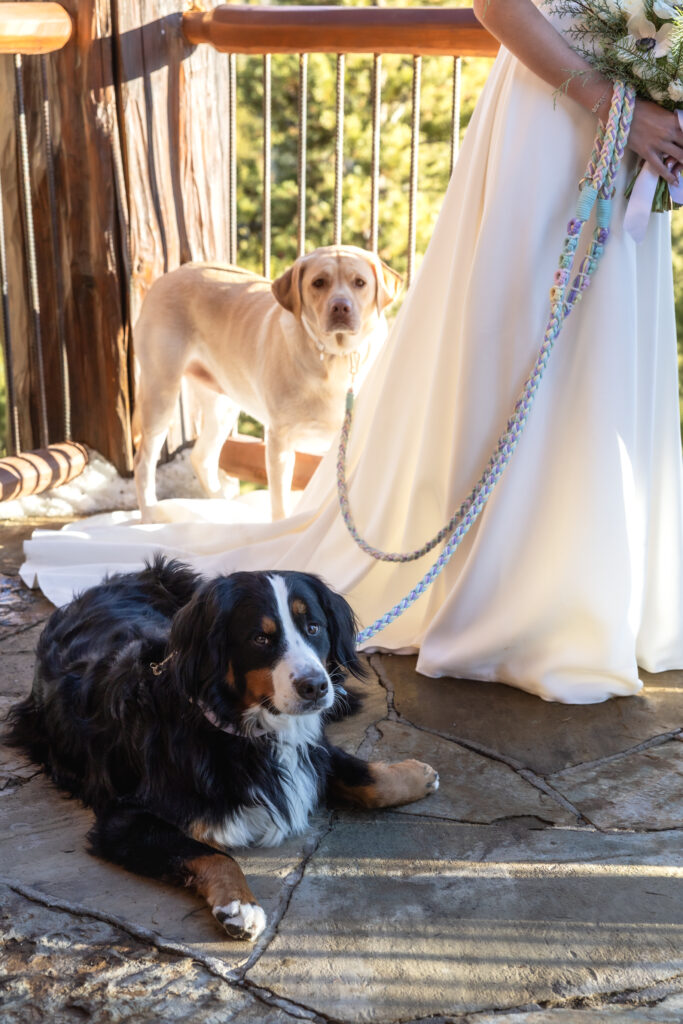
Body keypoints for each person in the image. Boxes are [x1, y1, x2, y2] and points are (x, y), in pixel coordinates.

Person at [21, 0, 683, 703]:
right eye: (323, 288)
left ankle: (602, 588)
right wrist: (619, 107)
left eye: (354, 288)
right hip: (552, 123)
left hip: (637, 141)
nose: (340, 299)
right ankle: (498, 590)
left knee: (603, 364)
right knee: (515, 348)